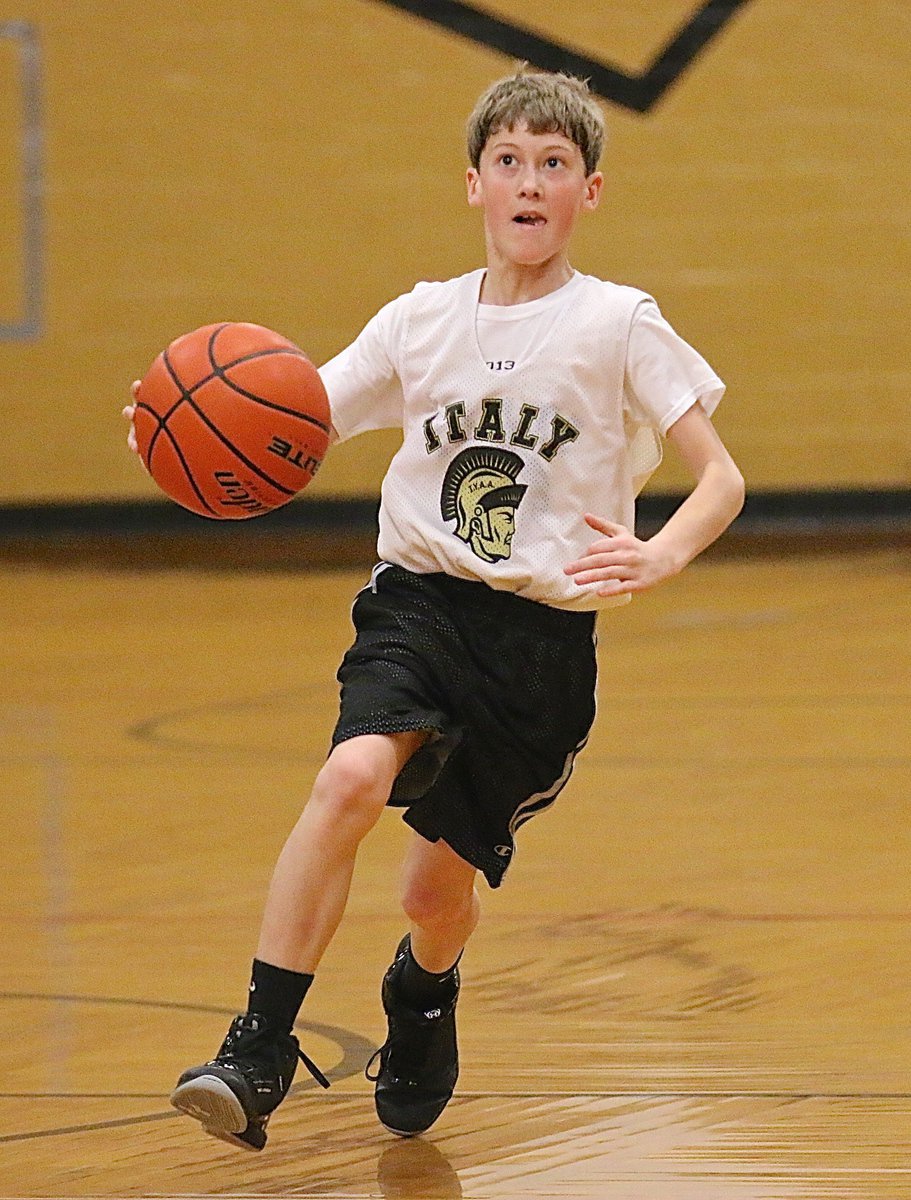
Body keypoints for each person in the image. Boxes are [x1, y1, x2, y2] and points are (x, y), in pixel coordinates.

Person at [124, 67, 744, 1152]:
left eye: (553, 164)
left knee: (429, 894)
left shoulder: (617, 324)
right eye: (508, 160)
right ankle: (257, 1045)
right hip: (416, 606)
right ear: (472, 183)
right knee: (350, 775)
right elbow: (291, 419)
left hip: (536, 644)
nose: (529, 182)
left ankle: (422, 993)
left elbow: (720, 479)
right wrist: (180, 426)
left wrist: (661, 551)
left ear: (587, 192)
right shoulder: (419, 321)